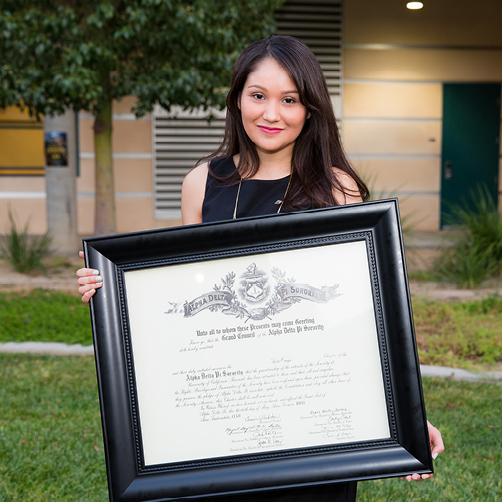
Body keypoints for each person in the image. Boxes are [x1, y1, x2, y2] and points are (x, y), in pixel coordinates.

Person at [77, 35, 444, 501]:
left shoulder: (337, 189)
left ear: (310, 108)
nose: (271, 114)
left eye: (289, 100)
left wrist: (406, 416)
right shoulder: (201, 183)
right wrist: (111, 289)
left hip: (311, 410)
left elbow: (360, 314)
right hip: (226, 409)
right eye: (258, 96)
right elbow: (186, 294)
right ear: (236, 99)